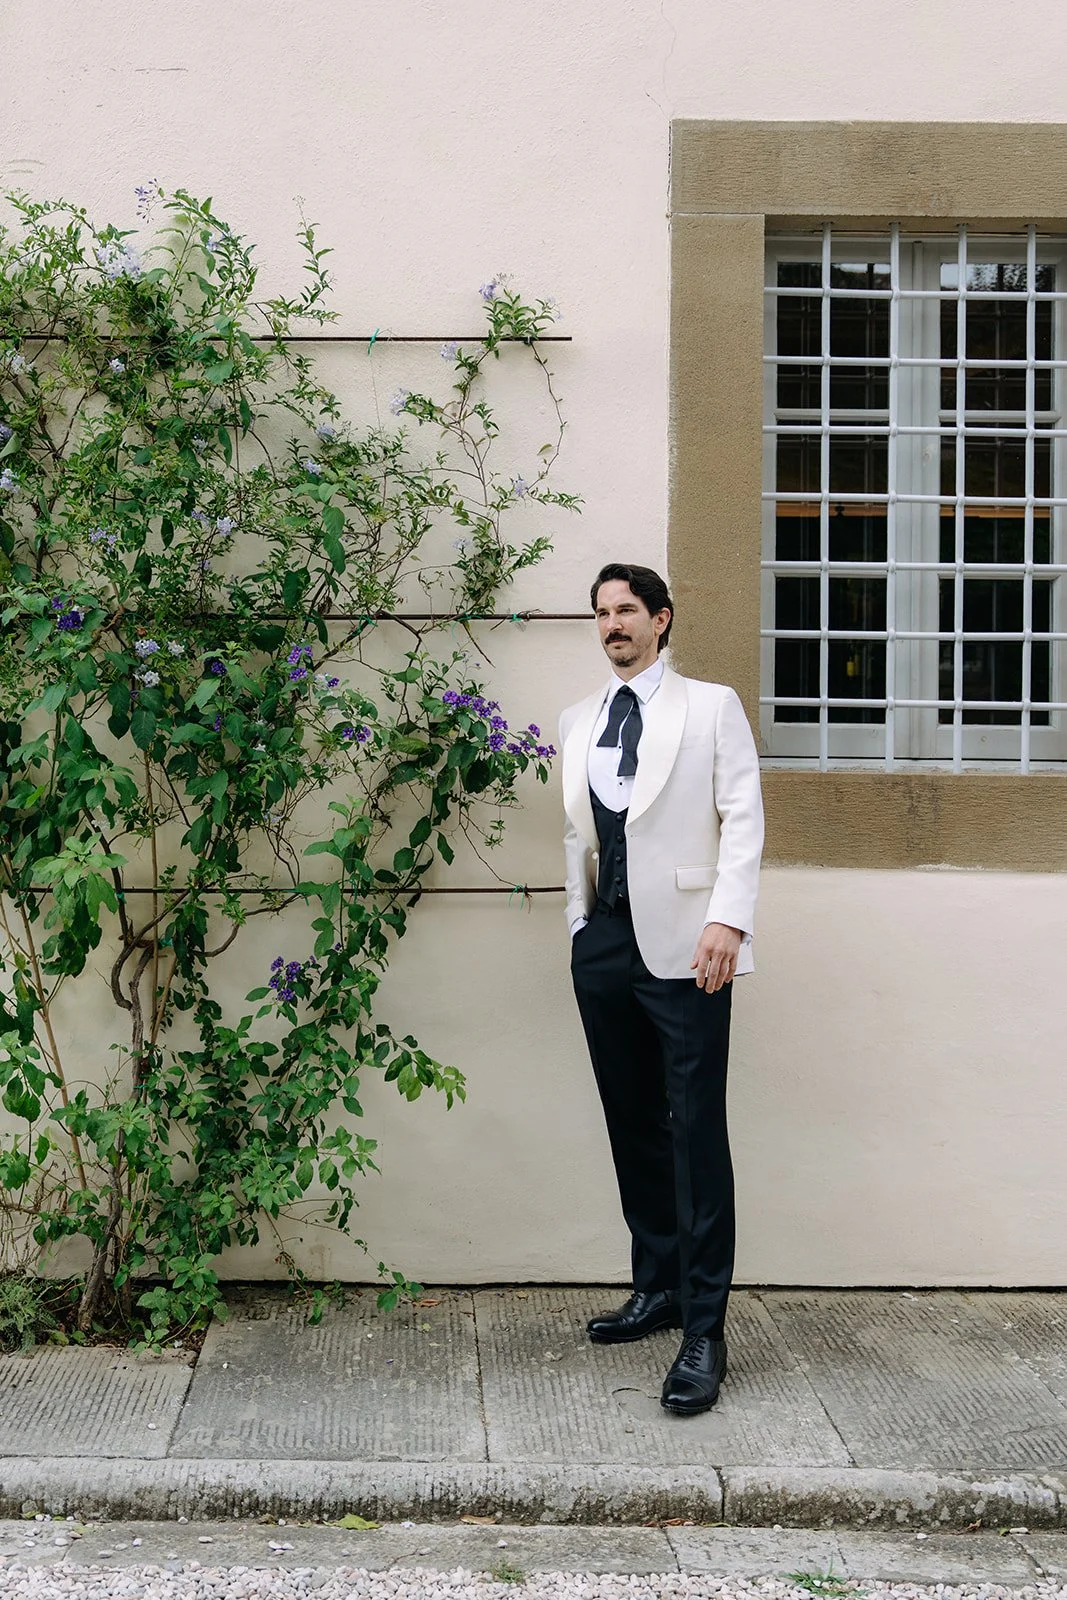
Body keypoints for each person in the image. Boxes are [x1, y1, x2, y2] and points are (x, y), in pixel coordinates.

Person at [559, 562, 764, 1416]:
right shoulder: (579, 719)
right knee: (632, 1120)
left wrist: (728, 920)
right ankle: (658, 1286)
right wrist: (579, 925)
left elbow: (742, 815)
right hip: (605, 944)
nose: (613, 624)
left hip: (688, 946)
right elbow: (578, 831)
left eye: (627, 610)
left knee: (693, 1133)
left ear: (660, 619)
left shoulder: (709, 707)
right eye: (602, 612)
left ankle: (704, 1329)